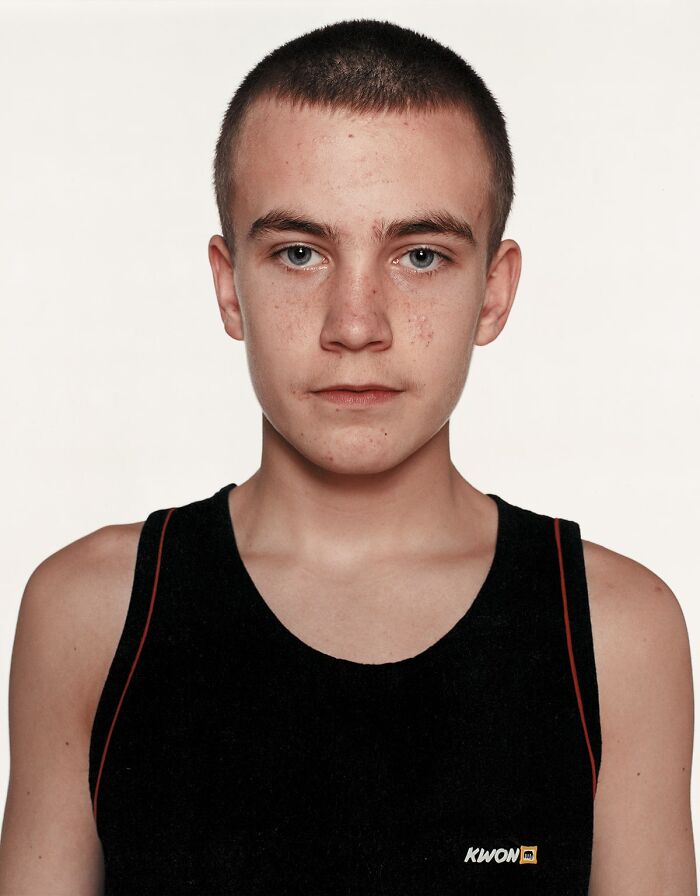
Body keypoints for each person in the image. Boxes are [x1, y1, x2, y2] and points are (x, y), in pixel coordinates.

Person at [0, 17, 695, 896]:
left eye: (419, 255)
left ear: (494, 292)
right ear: (229, 286)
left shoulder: (614, 630)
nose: (356, 324)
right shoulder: (89, 617)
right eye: (299, 252)